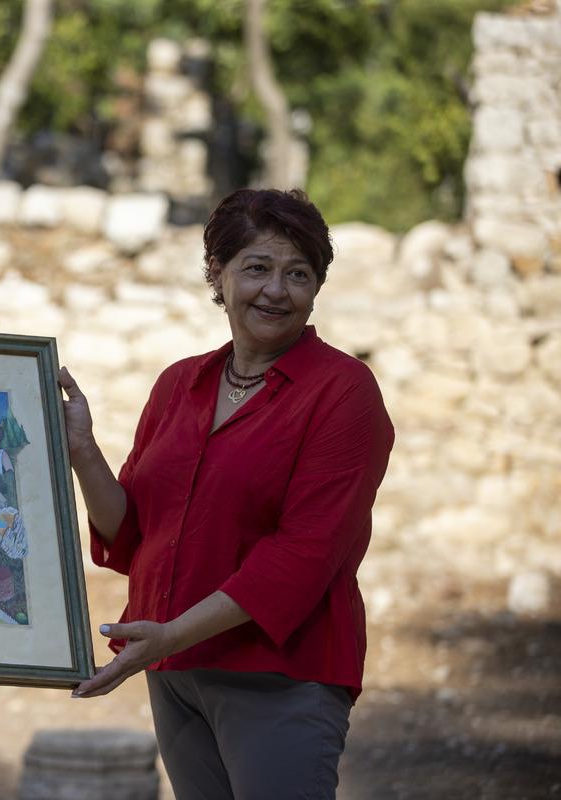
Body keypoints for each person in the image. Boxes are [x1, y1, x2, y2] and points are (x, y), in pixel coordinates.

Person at [60, 188, 394, 799]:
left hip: (280, 673)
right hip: (175, 671)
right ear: (218, 273)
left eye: (298, 274)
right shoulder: (178, 384)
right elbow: (133, 535)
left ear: (317, 286)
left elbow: (304, 554)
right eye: (257, 267)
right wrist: (83, 450)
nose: (276, 291)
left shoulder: (344, 392)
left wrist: (171, 634)